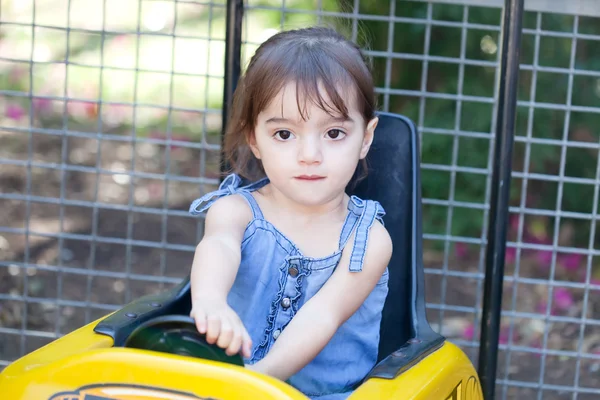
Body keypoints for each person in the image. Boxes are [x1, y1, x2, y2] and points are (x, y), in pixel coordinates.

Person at [188, 26, 393, 400]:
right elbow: (219, 247)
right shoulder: (236, 212)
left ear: (366, 138)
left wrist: (257, 381)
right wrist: (209, 301)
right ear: (254, 139)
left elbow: (323, 315)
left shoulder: (368, 241)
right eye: (285, 134)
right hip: (224, 387)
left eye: (333, 133)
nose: (310, 154)